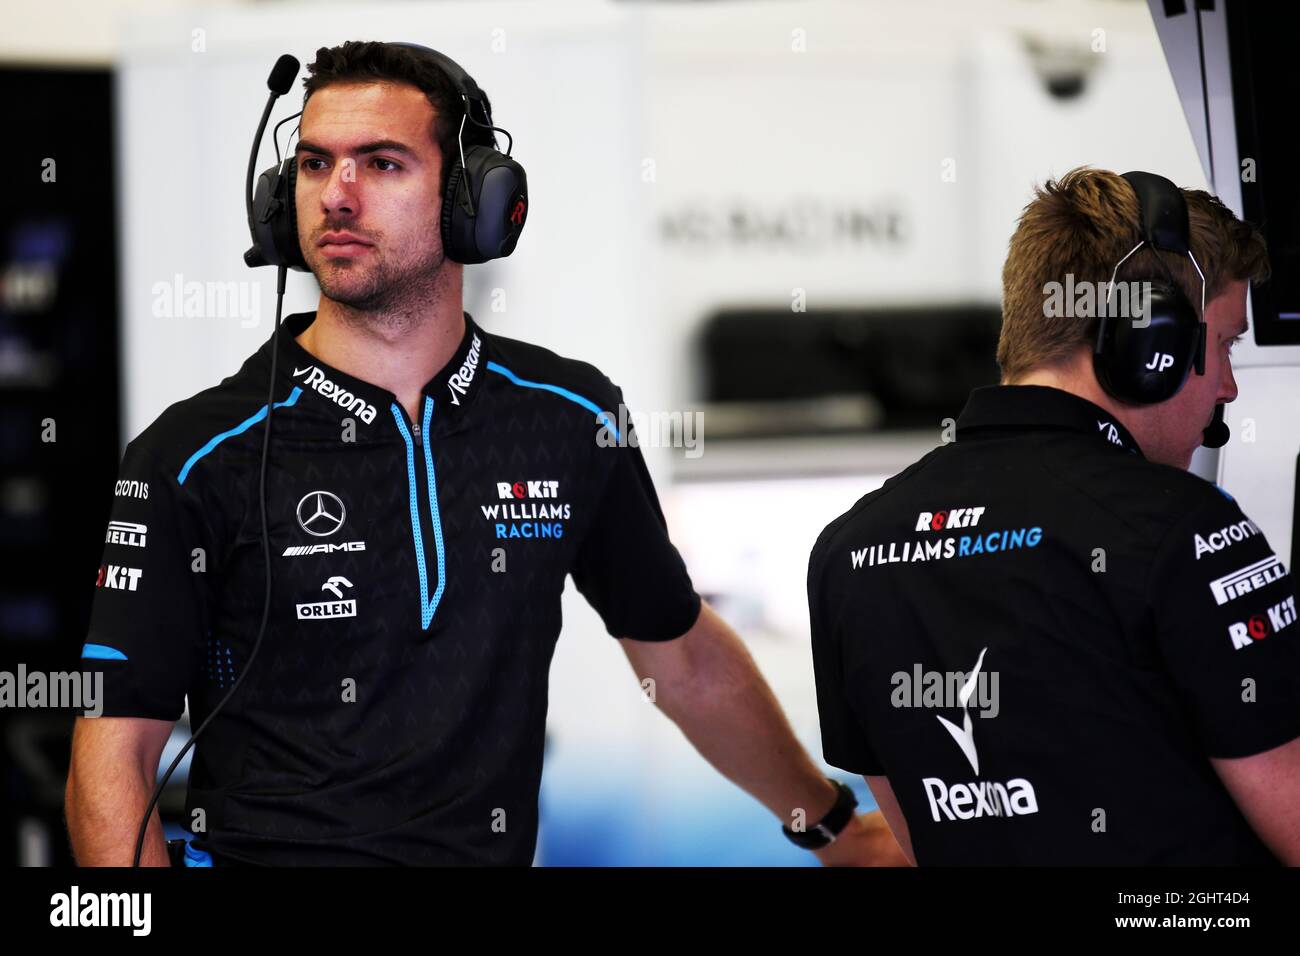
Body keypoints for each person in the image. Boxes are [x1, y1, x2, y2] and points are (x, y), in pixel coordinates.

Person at [65, 40, 906, 867]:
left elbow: (682, 659)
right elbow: (115, 753)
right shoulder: (193, 453)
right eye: (316, 165)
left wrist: (832, 826)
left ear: (476, 198)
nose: (338, 197)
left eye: (382, 164)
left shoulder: (570, 417)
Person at [808, 166, 1300, 865]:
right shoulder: (1187, 530)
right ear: (1149, 343)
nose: (1227, 386)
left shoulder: (846, 550)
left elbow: (925, 838)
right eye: (1223, 344)